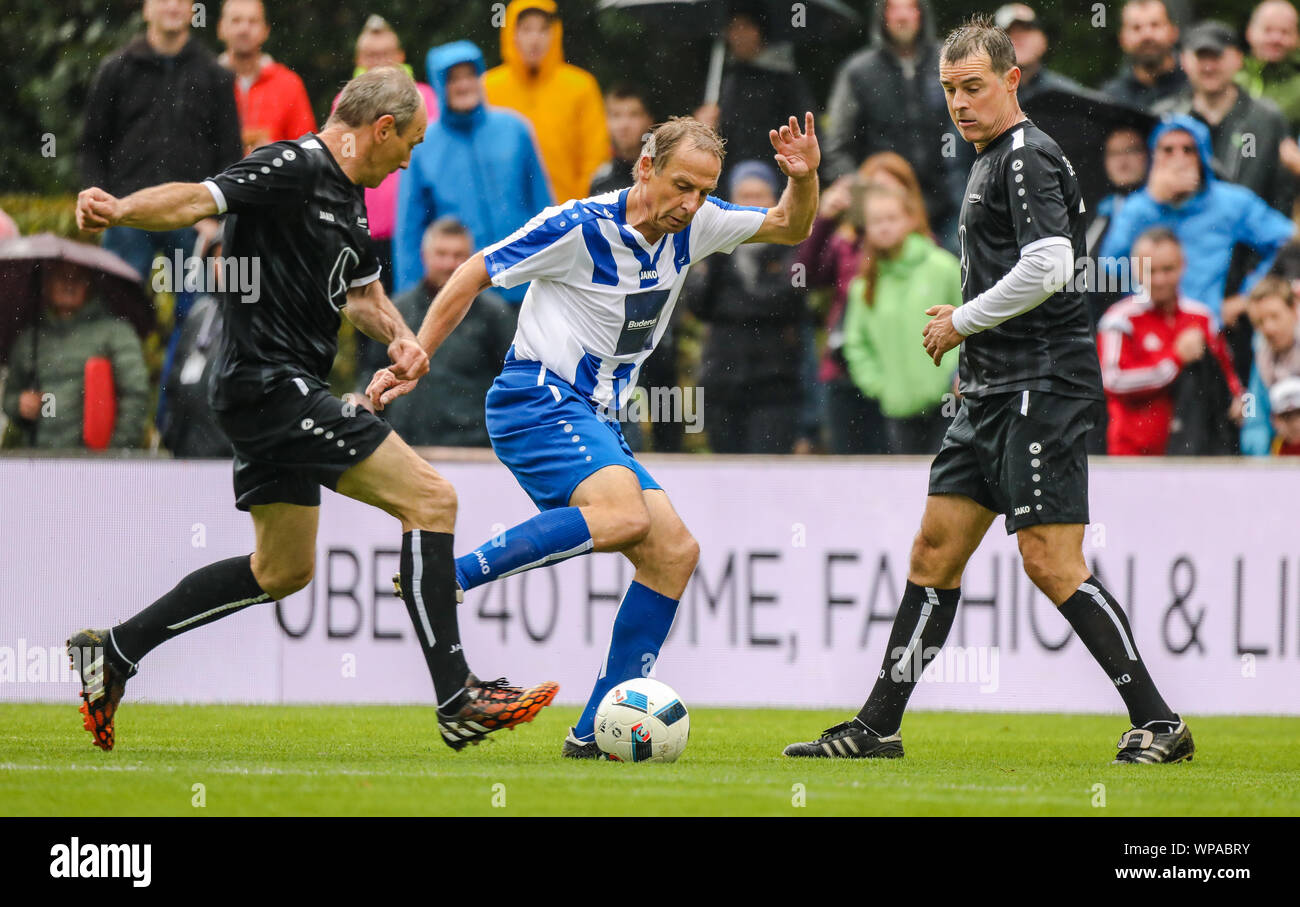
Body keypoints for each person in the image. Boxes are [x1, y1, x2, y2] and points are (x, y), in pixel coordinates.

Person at [67, 67, 557, 753]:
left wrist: (404, 338)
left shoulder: (350, 198)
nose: (409, 161)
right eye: (409, 144)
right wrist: (119, 210)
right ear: (380, 129)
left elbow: (360, 294)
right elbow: (195, 199)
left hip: (270, 392)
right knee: (433, 500)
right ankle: (457, 697)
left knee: (283, 570)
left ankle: (114, 649)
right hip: (268, 387)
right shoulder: (291, 165)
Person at [785, 17, 1193, 764]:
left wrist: (963, 321)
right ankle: (878, 725)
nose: (959, 102)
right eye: (948, 90)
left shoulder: (1026, 155)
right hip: (989, 389)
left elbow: (1049, 265)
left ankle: (1160, 720)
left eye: (973, 86)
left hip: (1045, 384)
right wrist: (971, 328)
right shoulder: (986, 159)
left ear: (1011, 80)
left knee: (1050, 560)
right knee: (934, 548)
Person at [367, 114, 821, 757]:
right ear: (645, 169)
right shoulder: (577, 227)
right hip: (537, 397)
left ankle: (593, 735)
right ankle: (447, 579)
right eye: (681, 186)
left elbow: (790, 225)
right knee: (622, 515)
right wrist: (418, 355)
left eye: (703, 190)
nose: (692, 204)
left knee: (674, 554)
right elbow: (472, 272)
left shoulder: (697, 223)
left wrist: (803, 179)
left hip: (598, 417)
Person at [80, 0, 242, 429]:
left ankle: (178, 425)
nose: (173, 5)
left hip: (192, 224)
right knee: (117, 327)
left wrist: (217, 217)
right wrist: (98, 201)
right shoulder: (116, 69)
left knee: (196, 325)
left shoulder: (215, 76)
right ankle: (115, 430)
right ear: (146, 8)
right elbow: (92, 146)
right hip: (125, 221)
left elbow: (229, 155)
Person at [796, 152, 934, 453]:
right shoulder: (846, 243)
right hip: (845, 370)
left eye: (892, 192)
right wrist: (825, 218)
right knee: (849, 474)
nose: (882, 203)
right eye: (874, 191)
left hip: (898, 375)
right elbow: (803, 277)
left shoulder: (926, 254)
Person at [1097, 115, 1296, 324]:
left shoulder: (1229, 201)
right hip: (1148, 331)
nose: (1178, 159)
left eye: (1188, 149)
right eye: (1168, 150)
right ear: (1154, 157)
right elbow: (1109, 267)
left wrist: (1248, 297)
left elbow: (1287, 241)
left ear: (1202, 157)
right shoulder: (1138, 206)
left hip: (1206, 329)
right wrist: (1152, 202)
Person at [395, 40, 552, 303]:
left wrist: (553, 271)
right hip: (462, 294)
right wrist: (411, 301)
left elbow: (543, 207)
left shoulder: (515, 130)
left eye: (469, 75)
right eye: (453, 79)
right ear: (439, 85)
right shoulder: (423, 144)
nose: (463, 85)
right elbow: (410, 230)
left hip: (524, 284)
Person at [358, 217, 516, 447]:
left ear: (471, 260)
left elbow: (512, 380)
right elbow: (372, 369)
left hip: (474, 451)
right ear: (425, 256)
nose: (449, 263)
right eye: (441, 254)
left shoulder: (494, 314)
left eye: (458, 256)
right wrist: (363, 400)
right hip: (406, 444)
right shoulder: (398, 310)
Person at [686, 160, 808, 454]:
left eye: (759, 196)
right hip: (722, 385)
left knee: (768, 480)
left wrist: (732, 305)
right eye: (744, 197)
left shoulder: (793, 248)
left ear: (775, 200)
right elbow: (697, 304)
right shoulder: (713, 249)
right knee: (728, 483)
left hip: (774, 387)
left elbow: (791, 301)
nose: (751, 206)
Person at [823, 0, 964, 245]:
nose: (902, 16)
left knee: (954, 276)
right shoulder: (858, 71)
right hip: (882, 206)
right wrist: (861, 191)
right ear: (882, 16)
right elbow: (837, 144)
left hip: (948, 204)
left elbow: (974, 127)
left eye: (910, 7)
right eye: (893, 8)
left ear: (922, 14)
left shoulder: (949, 63)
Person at [1097, 227, 1243, 455]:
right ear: (1135, 270)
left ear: (1183, 266)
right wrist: (1174, 360)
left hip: (1194, 454)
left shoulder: (1202, 317)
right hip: (1133, 456)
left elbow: (1229, 377)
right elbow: (1112, 380)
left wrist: (1242, 404)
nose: (1160, 279)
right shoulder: (1119, 319)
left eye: (1168, 269)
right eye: (1151, 271)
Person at [841, 183, 961, 454]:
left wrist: (957, 373)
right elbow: (856, 344)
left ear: (910, 219)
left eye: (892, 219)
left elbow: (971, 320)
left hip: (948, 405)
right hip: (898, 411)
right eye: (876, 221)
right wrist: (882, 387)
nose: (884, 227)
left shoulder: (943, 267)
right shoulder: (864, 285)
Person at [2, 261, 149, 451]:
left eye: (78, 278)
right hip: (41, 457)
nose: (68, 283)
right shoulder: (31, 338)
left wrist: (116, 452)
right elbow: (10, 397)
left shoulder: (115, 333)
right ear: (47, 283)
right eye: (60, 276)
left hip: (96, 459)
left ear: (90, 284)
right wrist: (19, 404)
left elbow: (136, 393)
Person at [340, 16, 439, 293]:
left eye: (385, 55)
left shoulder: (426, 99)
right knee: (367, 308)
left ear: (400, 56)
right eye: (372, 56)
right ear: (359, 58)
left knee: (415, 307)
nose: (380, 63)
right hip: (364, 228)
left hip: (416, 228)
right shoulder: (346, 103)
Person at [1154, 20, 1295, 213]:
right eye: (1201, 57)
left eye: (1216, 57)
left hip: (1252, 235)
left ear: (1238, 59)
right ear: (1184, 60)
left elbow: (1283, 191)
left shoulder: (1267, 120)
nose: (1208, 67)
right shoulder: (1165, 117)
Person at [485, 0, 608, 205]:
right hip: (505, 216)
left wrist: (577, 210)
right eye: (526, 29)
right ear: (511, 34)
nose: (535, 39)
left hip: (566, 215)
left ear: (555, 33)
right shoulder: (488, 87)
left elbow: (594, 158)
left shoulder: (581, 86)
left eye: (543, 29)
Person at [693, 1, 817, 188]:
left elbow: (802, 130)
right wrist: (701, 128)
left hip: (775, 182)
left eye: (746, 27)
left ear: (761, 32)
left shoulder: (785, 81)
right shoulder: (721, 81)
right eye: (733, 28)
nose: (739, 35)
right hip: (727, 184)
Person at [216, 0, 316, 154]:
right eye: (236, 20)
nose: (244, 29)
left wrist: (275, 155)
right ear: (220, 28)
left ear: (266, 30)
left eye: (253, 21)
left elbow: (308, 150)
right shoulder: (205, 81)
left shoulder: (288, 84)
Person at [1241, 274, 1300, 453]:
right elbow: (1252, 417)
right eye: (1260, 321)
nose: (1268, 328)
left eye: (1275, 317)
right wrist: (1260, 461)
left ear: (1294, 310)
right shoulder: (1260, 359)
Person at [1100, 0, 1189, 111]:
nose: (1147, 35)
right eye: (1136, 28)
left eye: (1155, 25)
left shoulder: (1197, 88)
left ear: (1174, 32)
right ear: (1122, 39)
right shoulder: (1111, 99)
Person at [994, 3, 1084, 105]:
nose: (1018, 37)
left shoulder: (1069, 96)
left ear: (1043, 41)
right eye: (1008, 32)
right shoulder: (981, 97)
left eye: (1026, 29)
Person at [1239, 0, 1300, 134]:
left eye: (1285, 32)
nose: (1276, 39)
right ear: (1250, 32)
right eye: (1268, 30)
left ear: (1297, 38)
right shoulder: (1231, 77)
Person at [590, 85, 655, 197]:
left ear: (649, 120)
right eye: (616, 115)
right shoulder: (599, 181)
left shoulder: (662, 176)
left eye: (634, 115)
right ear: (605, 121)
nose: (624, 125)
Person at [1266, 374, 1300, 452]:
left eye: (1298, 414)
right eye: (1286, 416)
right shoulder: (1269, 449)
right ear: (1274, 420)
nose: (1293, 424)